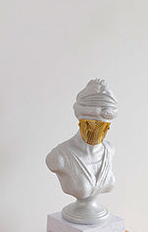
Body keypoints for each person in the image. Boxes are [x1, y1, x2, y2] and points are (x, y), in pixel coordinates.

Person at [46, 79, 118, 224]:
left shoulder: (109, 150)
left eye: (103, 125)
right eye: (90, 123)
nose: (96, 130)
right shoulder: (59, 157)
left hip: (100, 218)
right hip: (75, 217)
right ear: (80, 120)